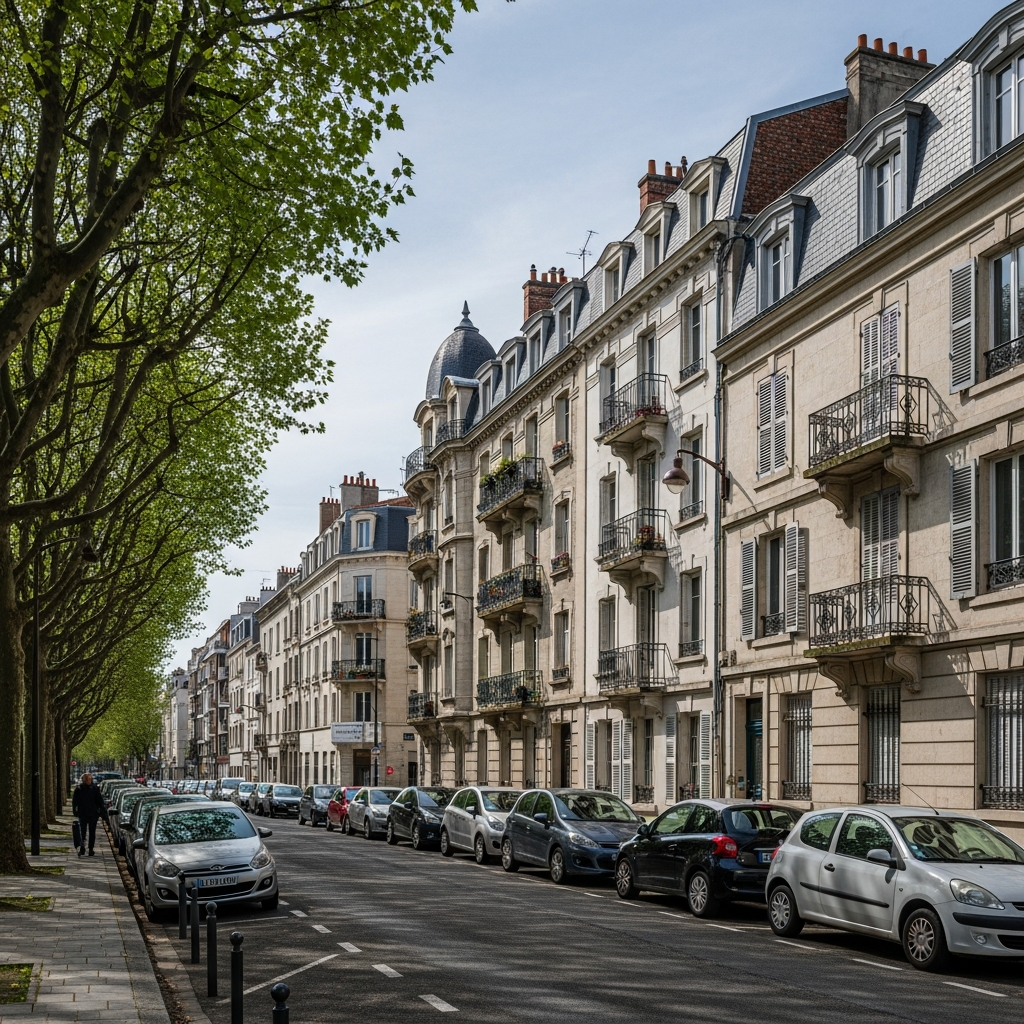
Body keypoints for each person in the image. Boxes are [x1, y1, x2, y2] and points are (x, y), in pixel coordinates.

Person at [72, 772, 105, 857]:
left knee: (92, 832)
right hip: (82, 813)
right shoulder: (79, 789)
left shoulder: (95, 788)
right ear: (83, 780)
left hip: (93, 814)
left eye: (90, 779)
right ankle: (82, 848)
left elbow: (100, 801)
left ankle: (91, 849)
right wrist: (75, 810)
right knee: (82, 832)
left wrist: (101, 810)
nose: (88, 781)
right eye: (86, 779)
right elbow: (75, 801)